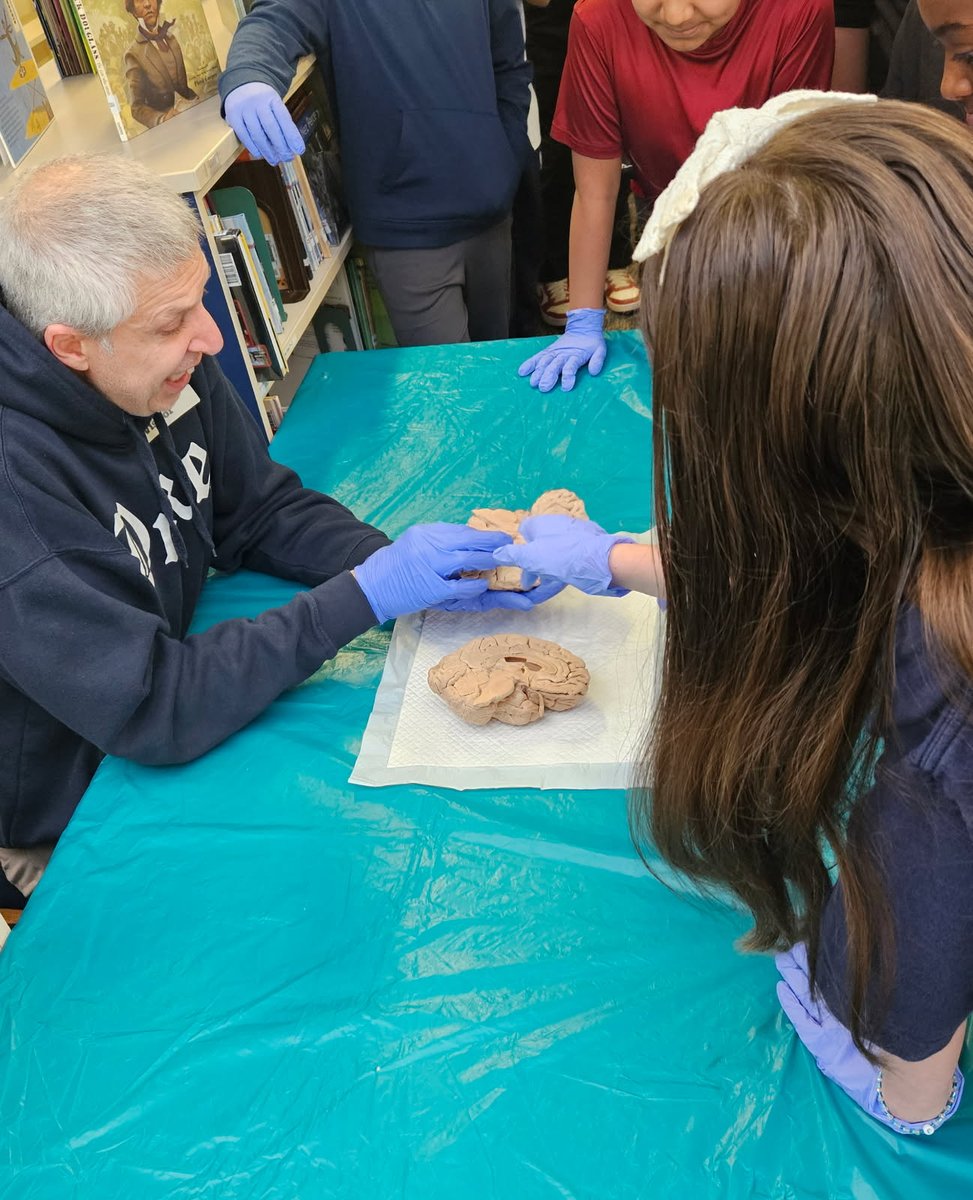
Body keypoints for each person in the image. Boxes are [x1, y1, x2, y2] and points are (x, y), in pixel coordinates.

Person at [493, 92, 973, 1133]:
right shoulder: (930, 488)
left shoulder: (941, 722)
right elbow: (811, 560)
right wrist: (614, 559)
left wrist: (900, 1083)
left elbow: (926, 964)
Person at [0, 154, 557, 909]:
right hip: (70, 795)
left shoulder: (150, 355)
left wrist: (397, 567)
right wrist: (364, 596)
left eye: (199, 299)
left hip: (164, 676)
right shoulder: (18, 498)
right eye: (172, 323)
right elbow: (155, 706)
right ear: (69, 346)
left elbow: (257, 509)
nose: (210, 340)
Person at [518, 0, 834, 393]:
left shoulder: (800, 10)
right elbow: (595, 192)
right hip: (667, 225)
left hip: (771, 225)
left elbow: (792, 180)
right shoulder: (598, 18)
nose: (676, 16)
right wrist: (583, 319)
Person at [218, 0, 532, 350]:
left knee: (501, 364)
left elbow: (510, 63)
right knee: (447, 389)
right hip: (406, 228)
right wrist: (248, 77)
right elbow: (276, 19)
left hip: (492, 208)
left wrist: (507, 155)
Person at [525, 0, 640, 328]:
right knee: (557, 146)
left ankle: (614, 260)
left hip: (610, 16)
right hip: (548, 30)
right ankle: (557, 270)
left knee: (613, 132)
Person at [123, 0, 199, 129]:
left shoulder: (172, 39)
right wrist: (162, 119)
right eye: (140, 0)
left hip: (193, 116)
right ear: (133, 10)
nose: (147, 4)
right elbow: (137, 108)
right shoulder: (133, 54)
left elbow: (183, 89)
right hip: (167, 129)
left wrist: (197, 100)